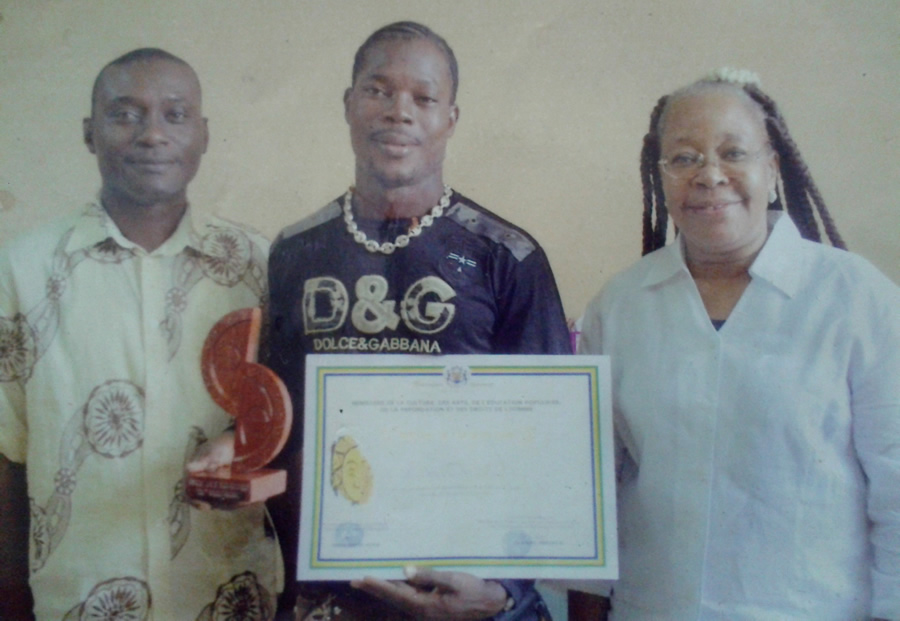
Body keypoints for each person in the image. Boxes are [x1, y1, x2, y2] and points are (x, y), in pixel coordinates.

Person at [265, 21, 570, 621]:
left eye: (423, 98)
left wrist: (505, 589)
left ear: (450, 119)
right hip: (332, 596)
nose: (399, 112)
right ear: (349, 105)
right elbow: (278, 423)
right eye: (378, 90)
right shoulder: (293, 253)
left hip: (469, 596)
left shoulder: (507, 258)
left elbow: (550, 442)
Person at [578, 69, 900, 620]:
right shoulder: (621, 305)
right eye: (683, 158)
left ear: (772, 169)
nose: (709, 175)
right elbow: (590, 490)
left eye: (733, 152)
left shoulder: (855, 297)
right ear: (659, 177)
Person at [0, 48, 280, 619]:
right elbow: (7, 455)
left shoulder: (258, 266)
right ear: (89, 132)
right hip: (78, 600)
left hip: (231, 595)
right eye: (125, 114)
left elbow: (285, 430)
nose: (152, 134)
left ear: (203, 135)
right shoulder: (21, 272)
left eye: (175, 115)